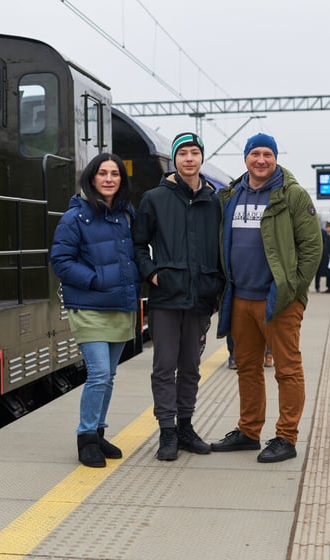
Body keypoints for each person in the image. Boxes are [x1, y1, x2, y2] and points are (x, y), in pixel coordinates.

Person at [211, 133, 323, 463]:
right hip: (240, 297)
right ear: (246, 158)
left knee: (287, 370)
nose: (261, 160)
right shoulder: (231, 195)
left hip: (279, 300)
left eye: (267, 154)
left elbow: (312, 248)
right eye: (255, 154)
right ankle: (248, 431)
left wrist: (291, 289)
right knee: (247, 367)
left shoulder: (292, 195)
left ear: (275, 158)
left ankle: (286, 437)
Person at [133, 132, 224, 461]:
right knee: (163, 366)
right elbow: (138, 245)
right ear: (175, 159)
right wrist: (152, 273)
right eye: (183, 153)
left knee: (191, 367)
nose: (189, 158)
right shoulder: (154, 198)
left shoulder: (214, 202)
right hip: (166, 297)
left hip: (200, 297)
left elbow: (221, 248)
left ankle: (186, 426)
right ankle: (167, 431)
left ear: (201, 158)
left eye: (194, 153)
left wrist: (217, 286)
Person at [50, 152, 140, 468]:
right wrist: (94, 280)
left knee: (110, 375)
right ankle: (86, 436)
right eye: (102, 173)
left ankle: (99, 432)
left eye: (114, 174)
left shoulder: (126, 215)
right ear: (91, 178)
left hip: (120, 306)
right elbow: (60, 260)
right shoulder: (75, 217)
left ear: (121, 180)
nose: (108, 179)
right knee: (99, 372)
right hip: (89, 306)